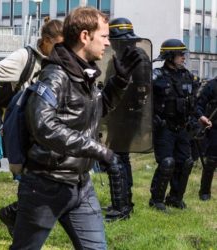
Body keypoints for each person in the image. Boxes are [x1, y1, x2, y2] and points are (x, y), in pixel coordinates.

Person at [10, 7, 142, 249]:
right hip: (45, 185)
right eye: (103, 36)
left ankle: (17, 214)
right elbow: (44, 126)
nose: (107, 42)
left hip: (81, 186)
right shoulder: (55, 76)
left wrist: (119, 82)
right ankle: (19, 213)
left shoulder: (85, 73)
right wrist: (98, 150)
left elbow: (92, 112)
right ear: (84, 36)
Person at [0, 17, 63, 236]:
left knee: (47, 183)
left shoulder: (61, 61)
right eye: (58, 45)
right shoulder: (26, 57)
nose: (63, 51)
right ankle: (20, 223)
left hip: (49, 130)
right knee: (35, 181)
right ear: (46, 40)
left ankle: (15, 216)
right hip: (26, 130)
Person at [103, 17, 152, 221]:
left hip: (126, 117)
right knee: (121, 158)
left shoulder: (136, 57)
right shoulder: (122, 56)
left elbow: (140, 91)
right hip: (117, 116)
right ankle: (123, 201)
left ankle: (121, 207)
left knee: (117, 159)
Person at [149, 39, 197, 211]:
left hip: (183, 127)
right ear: (169, 56)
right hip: (164, 128)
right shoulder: (156, 76)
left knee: (186, 162)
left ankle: (175, 198)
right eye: (179, 54)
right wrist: (152, 118)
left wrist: (197, 118)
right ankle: (156, 200)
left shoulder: (188, 76)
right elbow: (144, 100)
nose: (183, 57)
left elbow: (193, 102)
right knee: (167, 163)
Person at [196, 76, 217, 201]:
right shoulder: (211, 85)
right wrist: (202, 117)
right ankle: (204, 191)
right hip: (214, 128)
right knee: (211, 161)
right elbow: (199, 105)